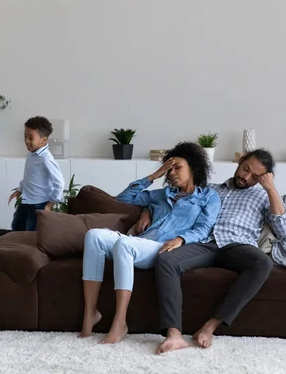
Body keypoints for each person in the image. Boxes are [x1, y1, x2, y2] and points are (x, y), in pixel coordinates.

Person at [152, 148, 286, 353]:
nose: (245, 177)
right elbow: (172, 201)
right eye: (245, 169)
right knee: (166, 260)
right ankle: (173, 334)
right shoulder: (211, 189)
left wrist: (271, 189)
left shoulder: (264, 197)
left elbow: (284, 231)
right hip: (204, 244)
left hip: (236, 246)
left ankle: (210, 327)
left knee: (263, 262)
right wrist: (148, 212)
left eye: (254, 176)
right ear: (240, 161)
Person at [79, 142, 221, 344]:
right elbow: (123, 199)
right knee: (93, 235)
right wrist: (154, 176)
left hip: (164, 248)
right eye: (168, 169)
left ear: (194, 168)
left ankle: (120, 322)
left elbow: (204, 228)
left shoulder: (208, 197)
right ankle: (90, 313)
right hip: (141, 244)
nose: (171, 173)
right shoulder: (161, 194)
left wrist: (181, 239)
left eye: (177, 167)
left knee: (124, 245)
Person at [8, 116, 65, 231]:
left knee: (32, 233)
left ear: (43, 140)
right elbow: (29, 177)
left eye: (31, 138)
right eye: (25, 136)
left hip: (39, 204)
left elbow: (60, 183)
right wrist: (20, 189)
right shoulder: (31, 155)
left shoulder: (46, 159)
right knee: (17, 227)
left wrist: (49, 205)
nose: (26, 141)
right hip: (27, 201)